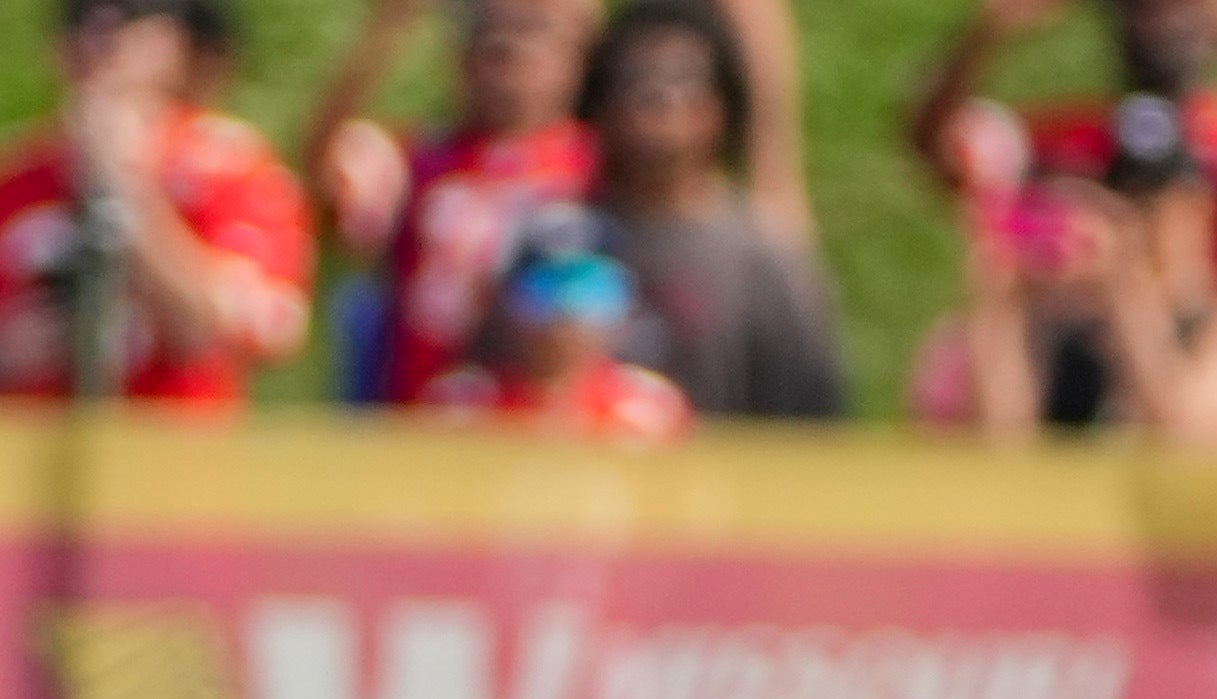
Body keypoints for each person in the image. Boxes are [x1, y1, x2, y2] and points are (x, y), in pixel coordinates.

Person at [0, 0, 320, 401]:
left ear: (175, 42)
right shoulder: (9, 178)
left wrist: (126, 192)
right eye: (80, 16)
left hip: (178, 446)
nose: (102, 32)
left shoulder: (231, 168)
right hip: (27, 442)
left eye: (130, 15)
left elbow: (253, 333)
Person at [905, 0, 1217, 319]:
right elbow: (937, 145)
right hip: (1099, 388)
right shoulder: (1087, 139)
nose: (1160, 24)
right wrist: (988, 31)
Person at [919, 82, 1217, 431]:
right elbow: (996, 446)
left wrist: (1126, 292)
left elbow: (1185, 435)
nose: (1130, 222)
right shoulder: (1057, 327)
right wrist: (1002, 299)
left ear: (1198, 211)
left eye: (1148, 204)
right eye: (1117, 200)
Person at [302, 0, 596, 401]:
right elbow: (324, 175)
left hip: (543, 412)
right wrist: (385, 33)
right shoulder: (420, 161)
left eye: (536, 52)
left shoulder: (592, 163)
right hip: (422, 405)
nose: (511, 72)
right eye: (496, 53)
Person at [584, 0, 844, 415]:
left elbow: (806, 421)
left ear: (721, 106)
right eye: (634, 81)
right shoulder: (563, 241)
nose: (659, 99)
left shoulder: (760, 261)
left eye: (683, 82)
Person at [422, 197, 697, 418]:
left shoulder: (652, 412)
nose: (566, 315)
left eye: (593, 290)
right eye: (542, 289)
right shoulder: (463, 410)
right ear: (506, 302)